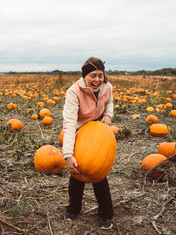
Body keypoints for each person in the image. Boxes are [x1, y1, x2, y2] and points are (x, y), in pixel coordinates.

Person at [62, 56, 114, 230]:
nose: (97, 79)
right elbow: (69, 123)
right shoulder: (73, 92)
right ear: (85, 76)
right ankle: (73, 209)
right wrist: (68, 155)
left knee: (99, 173)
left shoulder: (107, 87)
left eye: (100, 75)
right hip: (79, 131)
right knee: (77, 172)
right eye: (93, 75)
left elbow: (110, 102)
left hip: (98, 131)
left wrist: (108, 115)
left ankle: (106, 214)